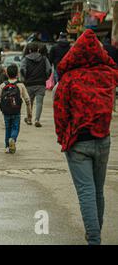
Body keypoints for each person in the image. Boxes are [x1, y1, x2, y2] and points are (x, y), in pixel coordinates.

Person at [53, 29, 118, 245]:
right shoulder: (108, 76)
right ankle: (95, 234)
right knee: (98, 191)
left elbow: (60, 112)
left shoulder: (69, 79)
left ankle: (93, 238)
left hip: (78, 143)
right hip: (103, 140)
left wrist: (63, 137)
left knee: (86, 192)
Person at [0, 64, 32, 154]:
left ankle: (7, 147)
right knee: (15, 128)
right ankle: (13, 139)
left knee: (8, 128)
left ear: (7, 74)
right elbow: (27, 100)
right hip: (16, 111)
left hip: (6, 111)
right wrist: (29, 113)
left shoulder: (3, 85)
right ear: (17, 73)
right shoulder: (20, 85)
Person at [20, 42, 52, 127]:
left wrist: (24, 79)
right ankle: (37, 119)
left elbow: (22, 70)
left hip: (29, 84)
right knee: (39, 103)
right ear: (38, 49)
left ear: (29, 50)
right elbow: (49, 70)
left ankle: (29, 119)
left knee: (29, 102)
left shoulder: (25, 59)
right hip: (41, 83)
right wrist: (46, 78)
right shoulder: (44, 59)